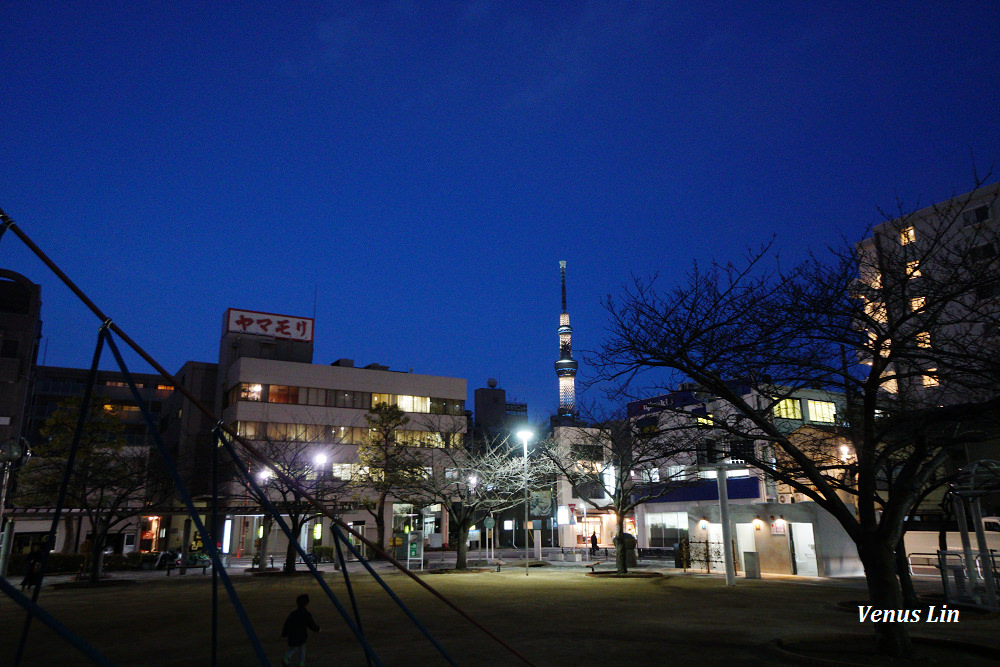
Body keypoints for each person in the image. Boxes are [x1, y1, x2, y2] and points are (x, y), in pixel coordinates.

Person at [281, 593, 320, 667]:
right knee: (301, 649)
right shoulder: (306, 614)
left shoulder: (293, 614)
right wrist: (317, 629)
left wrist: (284, 633)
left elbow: (287, 623)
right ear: (307, 603)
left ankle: (288, 658)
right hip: (301, 635)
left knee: (294, 648)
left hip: (292, 634)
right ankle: (298, 662)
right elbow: (311, 624)